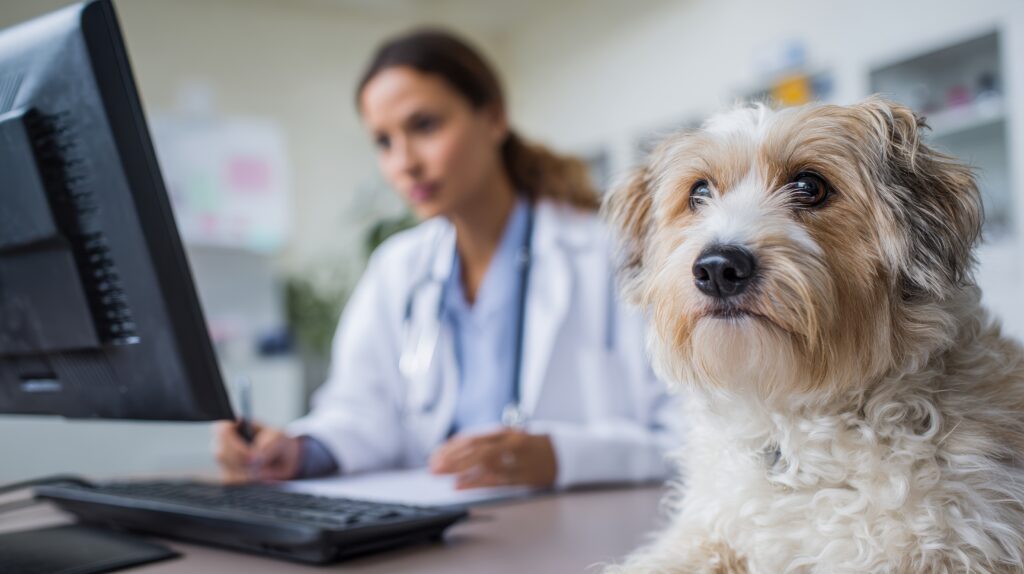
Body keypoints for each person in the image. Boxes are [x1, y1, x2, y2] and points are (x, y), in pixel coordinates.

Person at [214, 29, 684, 490]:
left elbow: (689, 429)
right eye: (383, 141)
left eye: (424, 126)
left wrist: (561, 456)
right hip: (439, 527)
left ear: (494, 117)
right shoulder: (398, 267)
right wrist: (297, 449)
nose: (404, 162)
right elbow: (360, 410)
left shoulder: (607, 250)